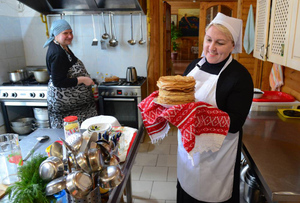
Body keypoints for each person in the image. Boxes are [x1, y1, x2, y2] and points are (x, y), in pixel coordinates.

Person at [178, 13, 254, 203]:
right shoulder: (194, 65)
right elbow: (181, 99)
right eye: (209, 39)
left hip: (216, 157)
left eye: (220, 43)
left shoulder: (240, 77)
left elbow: (235, 123)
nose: (211, 48)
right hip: (188, 149)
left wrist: (198, 114)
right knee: (185, 191)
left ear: (232, 46)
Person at [43, 19, 97, 129]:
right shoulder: (57, 53)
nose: (70, 36)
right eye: (65, 33)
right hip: (68, 109)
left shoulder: (62, 47)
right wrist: (82, 79)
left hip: (77, 107)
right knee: (72, 135)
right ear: (56, 34)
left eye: (70, 32)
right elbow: (58, 81)